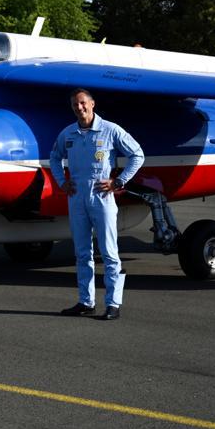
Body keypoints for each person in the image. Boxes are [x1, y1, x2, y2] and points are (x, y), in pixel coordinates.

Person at [50, 88, 144, 320]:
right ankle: (86, 301)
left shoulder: (110, 130)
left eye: (82, 103)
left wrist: (119, 181)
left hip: (101, 197)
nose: (79, 108)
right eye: (75, 105)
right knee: (82, 252)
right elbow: (54, 156)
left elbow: (137, 154)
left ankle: (113, 304)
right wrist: (62, 181)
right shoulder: (68, 133)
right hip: (76, 197)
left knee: (109, 252)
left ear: (92, 104)